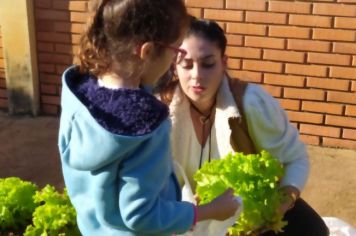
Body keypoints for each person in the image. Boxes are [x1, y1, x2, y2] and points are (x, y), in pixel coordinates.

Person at [57, 1, 240, 235]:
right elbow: (141, 215)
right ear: (148, 51)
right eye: (177, 51)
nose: (175, 62)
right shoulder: (145, 125)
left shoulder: (79, 93)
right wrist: (207, 211)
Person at [157, 18, 329, 236]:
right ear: (174, 65)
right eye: (187, 64)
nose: (197, 75)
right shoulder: (159, 111)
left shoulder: (251, 102)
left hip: (245, 222)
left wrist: (282, 203)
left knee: (312, 229)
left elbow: (295, 159)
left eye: (208, 64)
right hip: (188, 219)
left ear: (224, 62)